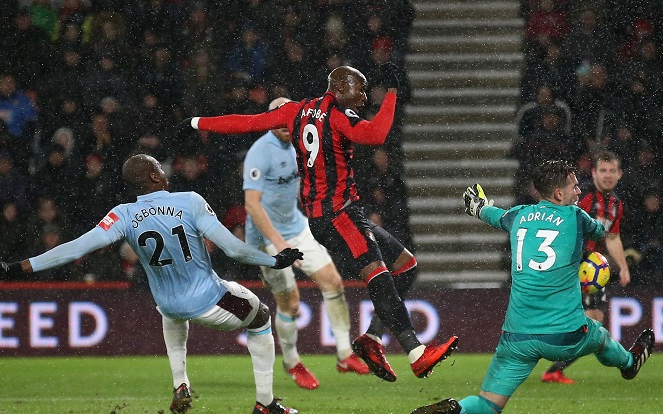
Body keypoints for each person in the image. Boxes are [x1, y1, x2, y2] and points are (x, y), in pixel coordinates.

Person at [174, 65, 458, 382]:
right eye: (360, 89)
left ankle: (372, 338)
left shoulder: (296, 112)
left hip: (325, 216)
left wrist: (199, 122)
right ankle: (416, 353)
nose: (364, 97)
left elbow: (247, 123)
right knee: (376, 272)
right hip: (339, 214)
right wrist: (391, 95)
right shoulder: (338, 117)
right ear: (341, 86)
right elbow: (376, 134)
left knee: (405, 265)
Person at [0, 154, 304, 414]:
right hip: (208, 298)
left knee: (173, 311)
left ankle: (181, 382)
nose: (164, 172)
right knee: (261, 316)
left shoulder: (122, 215)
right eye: (158, 168)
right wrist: (275, 261)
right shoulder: (190, 201)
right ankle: (265, 402)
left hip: (167, 303)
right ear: (153, 177)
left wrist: (17, 267)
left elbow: (77, 247)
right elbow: (232, 248)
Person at [405, 160, 655, 414]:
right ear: (559, 194)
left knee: (487, 406)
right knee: (599, 334)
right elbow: (599, 229)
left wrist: (478, 207)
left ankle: (458, 408)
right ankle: (628, 364)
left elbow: (491, 214)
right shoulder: (576, 216)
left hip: (517, 337)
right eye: (574, 186)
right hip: (564, 335)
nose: (579, 192)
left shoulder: (519, 215)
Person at [243, 97, 370, 390]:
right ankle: (291, 361)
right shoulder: (260, 153)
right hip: (265, 240)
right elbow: (252, 205)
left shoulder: (303, 141)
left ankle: (344, 354)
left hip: (297, 227)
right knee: (291, 302)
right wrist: (279, 244)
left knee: (333, 281)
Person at [542, 150, 631, 384]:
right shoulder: (582, 200)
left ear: (620, 174)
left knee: (591, 320)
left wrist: (623, 267)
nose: (607, 175)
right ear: (593, 173)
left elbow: (613, 237)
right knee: (587, 322)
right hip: (575, 266)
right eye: (603, 170)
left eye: (612, 171)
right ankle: (549, 361)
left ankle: (553, 364)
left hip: (593, 269)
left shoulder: (615, 205)